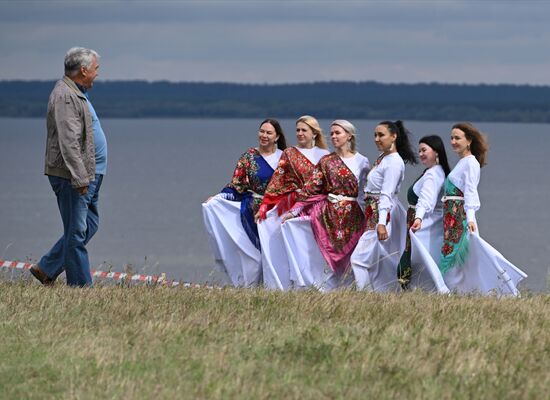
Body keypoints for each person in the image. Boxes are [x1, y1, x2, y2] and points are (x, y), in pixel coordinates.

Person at [30, 47, 107, 287]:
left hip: (90, 174)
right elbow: (69, 142)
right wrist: (80, 177)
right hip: (75, 177)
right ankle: (81, 287)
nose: (97, 74)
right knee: (75, 233)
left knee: (89, 225)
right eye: (95, 69)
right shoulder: (65, 96)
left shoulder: (76, 92)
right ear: (83, 70)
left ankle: (46, 268)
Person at [434, 122, 527, 295]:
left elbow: (470, 192)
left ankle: (448, 292)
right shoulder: (463, 162)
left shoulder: (471, 163)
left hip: (460, 218)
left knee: (454, 257)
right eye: (451, 138)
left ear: (468, 140)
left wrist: (469, 218)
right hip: (451, 218)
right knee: (458, 258)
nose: (453, 142)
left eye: (457, 138)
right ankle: (457, 291)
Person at [281, 120, 369, 290]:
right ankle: (324, 289)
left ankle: (350, 289)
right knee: (325, 256)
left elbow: (365, 192)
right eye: (332, 133)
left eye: (338, 133)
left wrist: (370, 216)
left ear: (349, 136)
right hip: (328, 215)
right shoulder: (326, 161)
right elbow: (311, 188)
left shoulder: (362, 162)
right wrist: (294, 211)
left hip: (353, 216)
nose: (334, 136)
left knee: (352, 256)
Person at [202, 119, 286, 287]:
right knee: (253, 256)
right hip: (251, 213)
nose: (264, 135)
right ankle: (249, 287)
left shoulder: (285, 158)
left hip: (276, 211)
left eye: (269, 133)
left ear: (277, 137)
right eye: (262, 131)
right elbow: (237, 185)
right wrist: (219, 198)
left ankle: (276, 287)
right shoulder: (248, 157)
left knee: (274, 254)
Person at [257, 116, 329, 290]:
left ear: (314, 133)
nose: (300, 133)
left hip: (319, 206)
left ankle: (320, 285)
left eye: (304, 130)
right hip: (295, 205)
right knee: (295, 246)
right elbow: (277, 181)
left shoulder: (326, 155)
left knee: (315, 249)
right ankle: (294, 285)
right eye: (297, 130)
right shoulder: (289, 153)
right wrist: (265, 206)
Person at [351, 120, 417, 291]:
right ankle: (382, 293)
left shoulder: (394, 162)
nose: (376, 139)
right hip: (374, 212)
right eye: (375, 135)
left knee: (359, 259)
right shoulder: (383, 158)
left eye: (381, 135)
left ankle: (364, 296)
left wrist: (381, 223)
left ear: (393, 136)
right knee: (379, 260)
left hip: (382, 213)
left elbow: (386, 194)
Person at [396, 135, 450, 292]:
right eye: (419, 151)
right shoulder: (434, 171)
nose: (420, 154)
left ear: (437, 152)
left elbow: (426, 200)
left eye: (424, 150)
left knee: (417, 263)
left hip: (424, 226)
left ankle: (433, 291)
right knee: (421, 263)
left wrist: (418, 218)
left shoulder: (434, 174)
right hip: (424, 224)